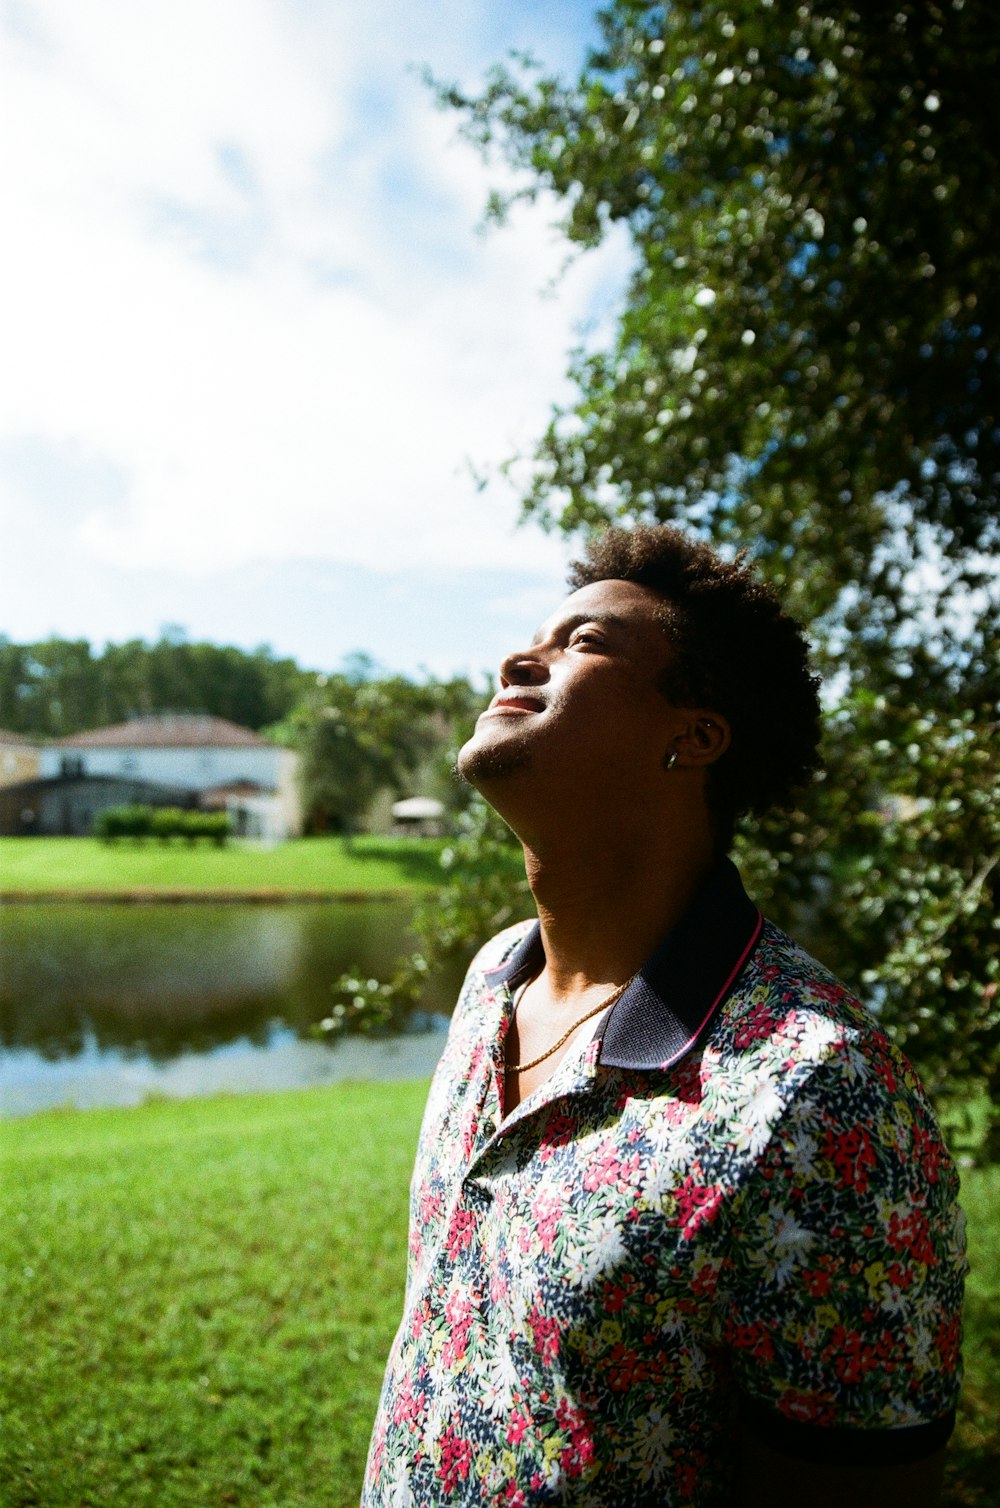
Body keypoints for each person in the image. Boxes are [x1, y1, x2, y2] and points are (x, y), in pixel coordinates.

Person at [361, 525, 966, 1508]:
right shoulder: (491, 979)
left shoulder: (820, 1091)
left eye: (584, 642)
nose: (521, 657)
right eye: (534, 638)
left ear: (693, 735)